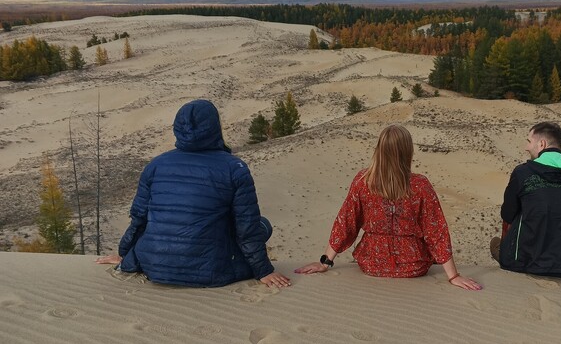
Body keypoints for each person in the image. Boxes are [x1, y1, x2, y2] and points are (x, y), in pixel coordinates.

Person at [95, 99, 290, 289]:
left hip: (155, 265)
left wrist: (125, 255)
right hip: (212, 271)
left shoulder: (155, 165)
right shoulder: (234, 168)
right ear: (215, 128)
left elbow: (139, 219)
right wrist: (263, 271)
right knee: (263, 225)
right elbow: (246, 228)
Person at [294, 124, 481, 290]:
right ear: (408, 152)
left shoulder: (362, 181)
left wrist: (325, 262)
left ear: (379, 150)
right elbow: (436, 231)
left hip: (371, 264)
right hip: (413, 266)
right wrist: (453, 276)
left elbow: (346, 223)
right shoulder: (420, 185)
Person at [492, 121, 561, 277]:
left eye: (529, 141)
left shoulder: (523, 172)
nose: (526, 147)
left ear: (541, 144)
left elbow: (507, 214)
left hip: (530, 263)